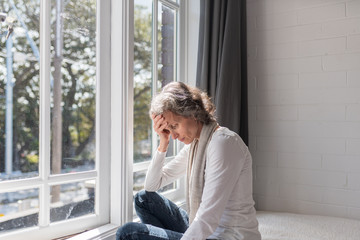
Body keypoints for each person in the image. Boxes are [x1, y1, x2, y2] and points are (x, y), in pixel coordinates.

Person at [116, 82, 261, 240]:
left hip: (228, 235)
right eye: (168, 129)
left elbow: (207, 218)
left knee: (128, 233)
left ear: (192, 114)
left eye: (175, 126)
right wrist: (163, 142)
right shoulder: (196, 145)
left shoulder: (223, 143)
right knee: (143, 199)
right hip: (207, 228)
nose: (174, 136)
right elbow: (152, 185)